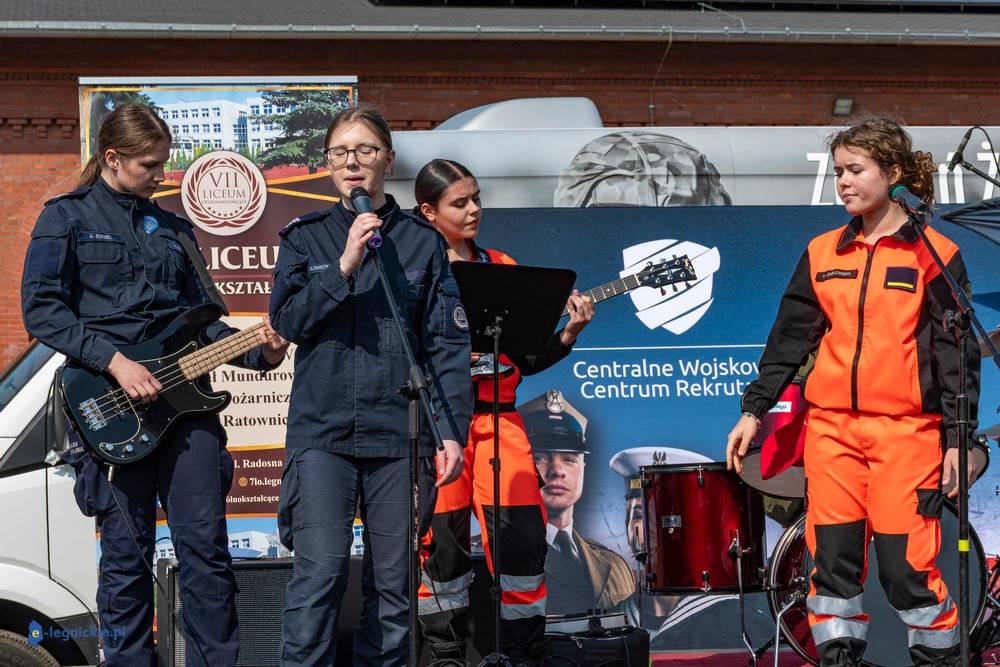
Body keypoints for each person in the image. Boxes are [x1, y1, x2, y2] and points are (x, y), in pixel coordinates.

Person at [20, 103, 289, 667]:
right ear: (111, 157)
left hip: (188, 413)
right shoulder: (64, 217)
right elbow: (42, 310)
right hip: (110, 403)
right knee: (125, 559)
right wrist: (116, 363)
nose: (161, 176)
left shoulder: (174, 228)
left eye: (164, 163)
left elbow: (203, 323)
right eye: (149, 165)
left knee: (207, 555)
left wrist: (260, 352)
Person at [726, 113, 981, 667]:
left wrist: (958, 440)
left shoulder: (935, 254)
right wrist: (754, 409)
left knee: (907, 571)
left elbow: (956, 357)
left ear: (892, 173)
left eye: (855, 170)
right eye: (838, 170)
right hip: (832, 434)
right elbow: (788, 339)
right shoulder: (823, 252)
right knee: (831, 573)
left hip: (906, 436)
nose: (842, 181)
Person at [268, 106, 474, 667]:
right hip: (323, 435)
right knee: (320, 574)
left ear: (389, 159)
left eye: (364, 150)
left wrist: (450, 432)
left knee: (394, 584)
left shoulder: (422, 242)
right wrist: (344, 264)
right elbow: (287, 323)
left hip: (400, 435)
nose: (351, 162)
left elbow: (446, 348)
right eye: (339, 152)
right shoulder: (305, 238)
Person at [412, 158, 595, 667]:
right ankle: (446, 655)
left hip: (501, 421)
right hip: (439, 425)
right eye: (460, 202)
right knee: (442, 544)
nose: (474, 209)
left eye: (476, 198)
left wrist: (569, 332)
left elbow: (525, 359)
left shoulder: (502, 265)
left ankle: (525, 651)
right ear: (428, 212)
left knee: (522, 542)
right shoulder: (410, 272)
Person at [607, 447, 775, 650]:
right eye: (640, 515)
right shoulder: (608, 624)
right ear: (627, 526)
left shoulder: (744, 625)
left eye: (669, 514)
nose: (656, 527)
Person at [521, 389, 635, 616]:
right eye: (540, 458)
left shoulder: (616, 565)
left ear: (583, 468)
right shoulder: (493, 556)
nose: (557, 471)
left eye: (570, 459)